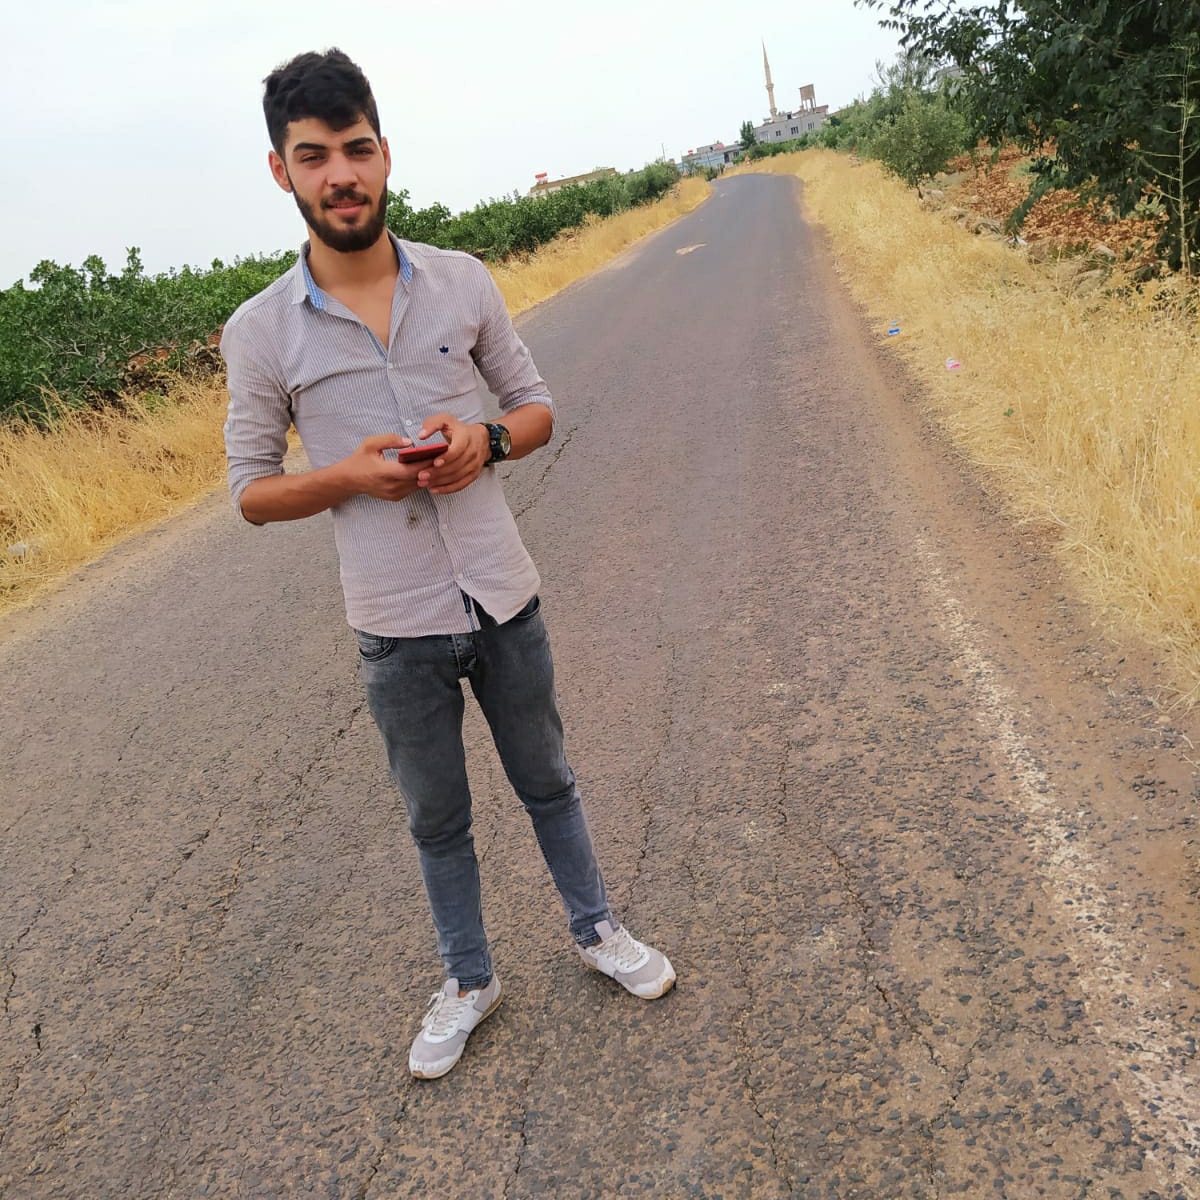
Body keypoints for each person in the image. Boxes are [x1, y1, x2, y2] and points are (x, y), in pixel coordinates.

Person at [221, 48, 675, 1080]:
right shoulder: (259, 332)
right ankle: (469, 979)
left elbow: (535, 406)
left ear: (385, 154)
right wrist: (348, 476)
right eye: (314, 156)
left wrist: (488, 441)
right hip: (394, 623)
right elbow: (250, 492)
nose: (341, 174)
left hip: (502, 592)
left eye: (356, 149)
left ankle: (598, 929)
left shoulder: (462, 281)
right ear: (281, 171)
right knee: (438, 821)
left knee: (549, 781)